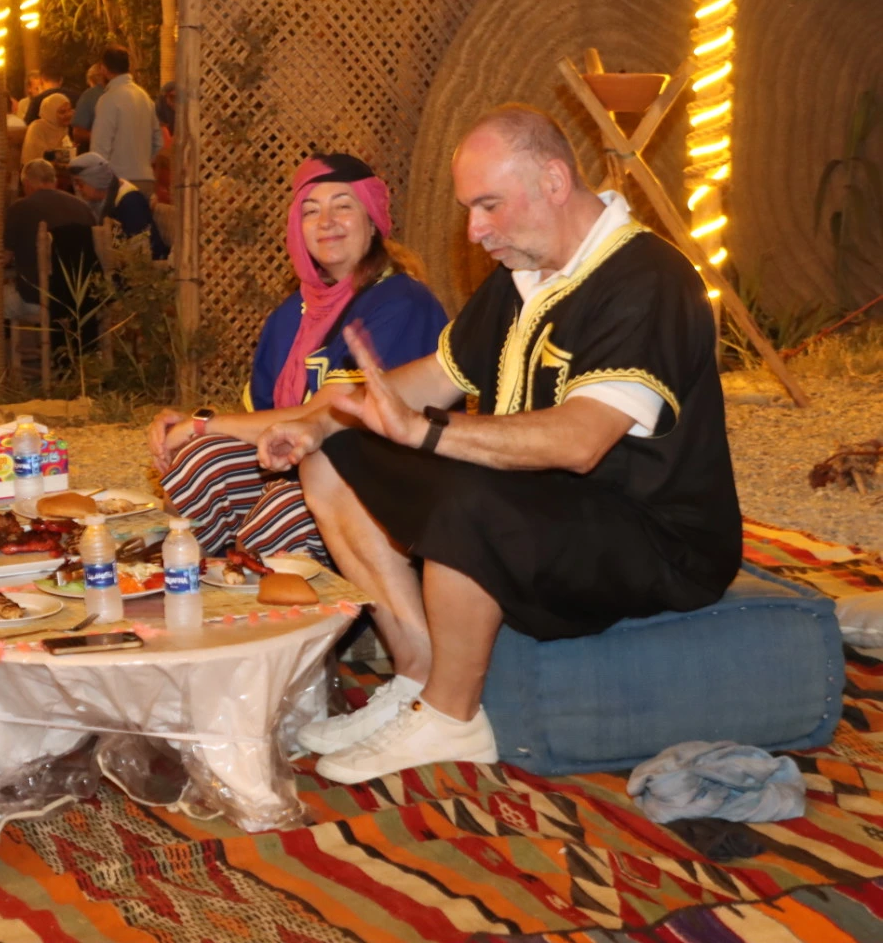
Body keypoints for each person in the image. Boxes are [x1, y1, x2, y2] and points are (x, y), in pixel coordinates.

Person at [262, 105, 740, 784]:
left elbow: (579, 442)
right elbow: (433, 377)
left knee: (466, 483)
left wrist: (426, 431)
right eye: (469, 209)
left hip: (656, 539)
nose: (474, 230)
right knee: (337, 456)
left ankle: (455, 720)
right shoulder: (524, 277)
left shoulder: (647, 280)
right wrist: (324, 419)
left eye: (488, 205)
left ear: (552, 180)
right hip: (554, 510)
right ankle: (420, 678)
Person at [149, 154, 445, 562]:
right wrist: (195, 427)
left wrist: (202, 425)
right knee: (199, 466)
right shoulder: (291, 315)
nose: (326, 221)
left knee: (277, 520)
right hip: (297, 463)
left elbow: (326, 414)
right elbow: (266, 420)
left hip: (380, 479)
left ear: (372, 218)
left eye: (343, 205)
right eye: (311, 210)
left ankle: (285, 610)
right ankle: (178, 586)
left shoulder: (401, 302)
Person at [0, 158, 94, 332]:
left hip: (39, 298)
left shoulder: (20, 208)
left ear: (26, 183)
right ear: (54, 181)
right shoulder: (83, 207)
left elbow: (4, 257)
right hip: (84, 298)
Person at [90, 47, 162, 198]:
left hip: (119, 181)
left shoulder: (109, 99)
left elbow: (100, 147)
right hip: (146, 179)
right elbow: (158, 141)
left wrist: (96, 180)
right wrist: (143, 162)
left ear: (103, 68)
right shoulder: (144, 97)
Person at [68, 151, 165, 260]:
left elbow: (143, 250)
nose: (78, 189)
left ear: (95, 180)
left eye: (80, 184)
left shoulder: (130, 202)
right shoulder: (103, 198)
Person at [21, 93, 73, 168]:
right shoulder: (37, 127)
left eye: (69, 110)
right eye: (62, 112)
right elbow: (39, 155)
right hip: (36, 172)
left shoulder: (63, 128)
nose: (68, 114)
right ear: (51, 112)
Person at [72, 63, 107, 152]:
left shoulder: (89, 96)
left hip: (96, 154)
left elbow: (78, 133)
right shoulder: (130, 94)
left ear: (90, 80)